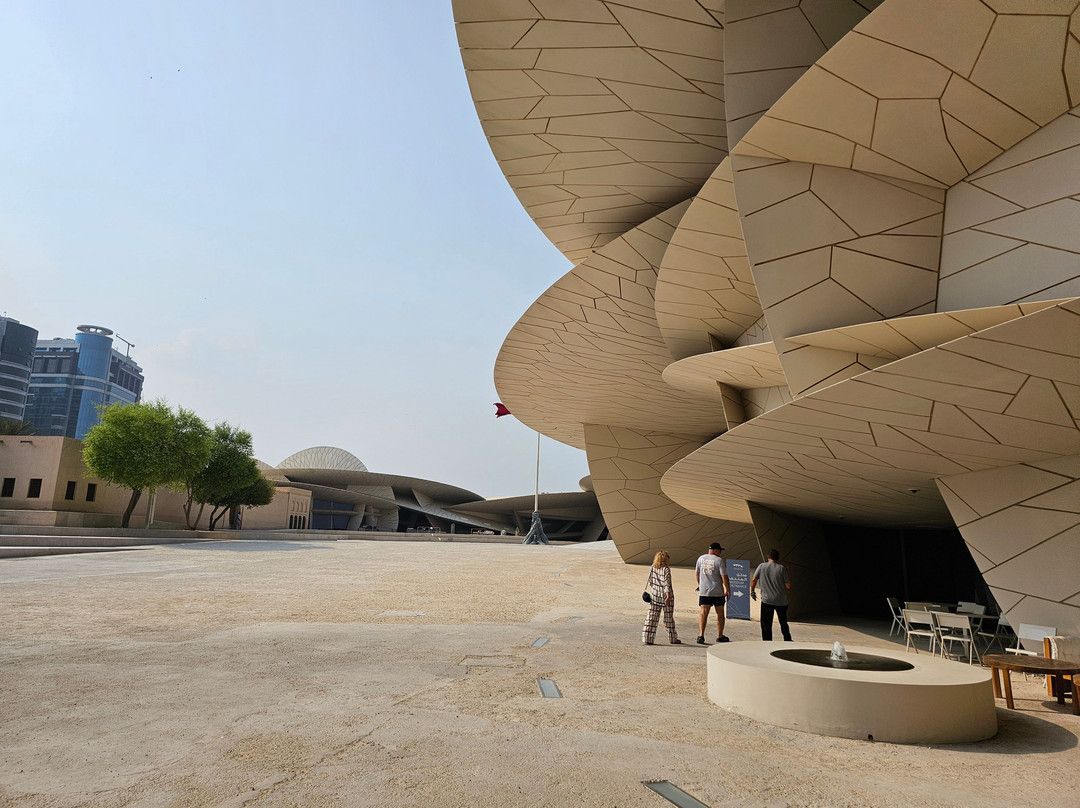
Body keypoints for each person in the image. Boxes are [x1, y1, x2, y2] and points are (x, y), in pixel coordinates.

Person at [751, 548, 792, 641]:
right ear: (777, 558)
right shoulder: (781, 568)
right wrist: (788, 574)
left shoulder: (761, 566)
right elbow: (788, 585)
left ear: (768, 557)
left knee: (766, 623)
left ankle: (767, 641)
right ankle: (787, 639)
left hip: (767, 600)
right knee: (783, 622)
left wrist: (752, 590)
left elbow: (754, 580)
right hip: (781, 601)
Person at [642, 550, 681, 645]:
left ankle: (647, 638)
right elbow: (667, 584)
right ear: (665, 558)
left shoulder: (653, 567)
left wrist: (655, 589)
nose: (669, 559)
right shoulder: (666, 569)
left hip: (654, 596)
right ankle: (673, 638)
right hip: (665, 597)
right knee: (668, 618)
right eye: (668, 557)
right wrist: (668, 596)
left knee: (651, 617)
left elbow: (650, 581)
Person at [695, 542, 730, 644]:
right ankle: (720, 635)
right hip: (717, 592)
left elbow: (697, 573)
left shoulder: (700, 558)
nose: (720, 553)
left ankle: (701, 635)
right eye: (719, 551)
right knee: (720, 613)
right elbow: (724, 577)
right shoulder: (719, 560)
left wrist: (700, 585)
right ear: (715, 550)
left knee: (703, 612)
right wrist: (728, 590)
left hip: (704, 591)